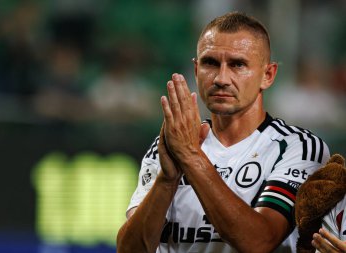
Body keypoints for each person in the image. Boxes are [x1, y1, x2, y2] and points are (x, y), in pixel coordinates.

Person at [117, 11, 330, 253]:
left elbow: (259, 242)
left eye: (238, 64)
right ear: (196, 71)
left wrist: (190, 157)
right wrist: (166, 180)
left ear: (267, 75)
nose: (221, 78)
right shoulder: (168, 145)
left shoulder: (298, 147)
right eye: (210, 63)